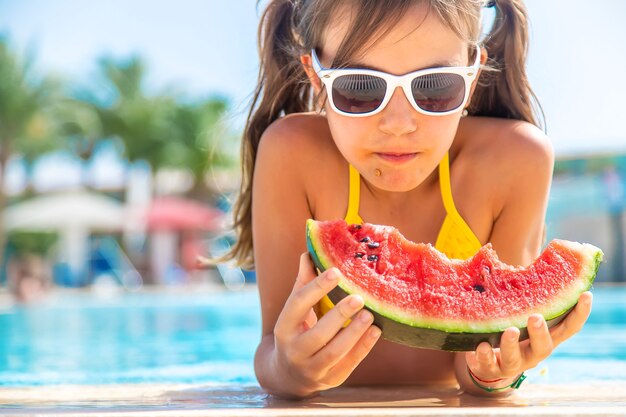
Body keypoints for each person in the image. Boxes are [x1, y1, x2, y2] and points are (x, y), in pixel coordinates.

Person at [225, 0, 593, 399]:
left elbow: (478, 370)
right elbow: (270, 349)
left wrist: (498, 373)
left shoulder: (516, 160)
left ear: (471, 77)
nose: (399, 124)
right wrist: (289, 370)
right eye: (360, 88)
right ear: (316, 77)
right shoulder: (291, 153)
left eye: (435, 86)